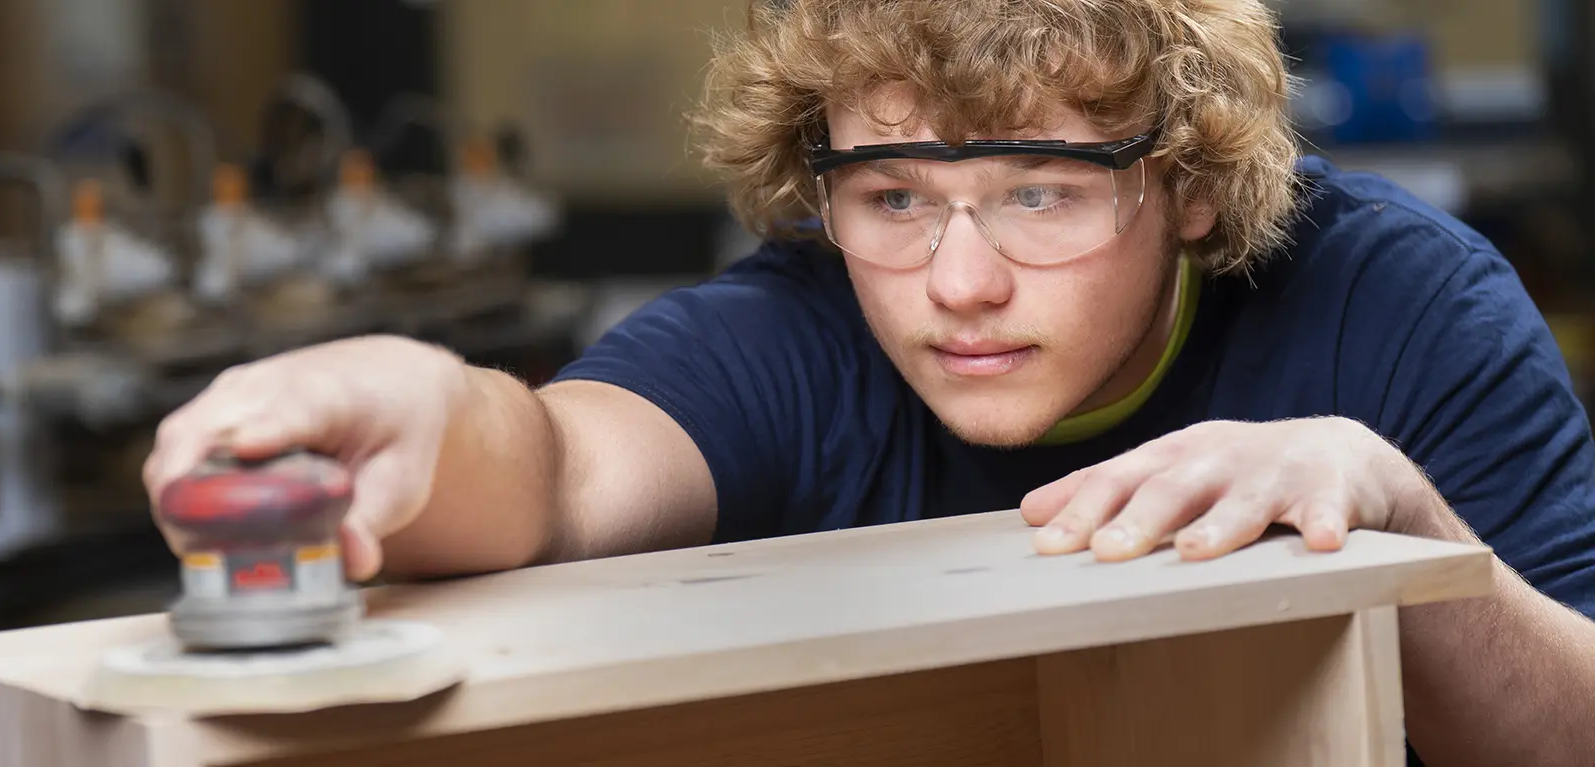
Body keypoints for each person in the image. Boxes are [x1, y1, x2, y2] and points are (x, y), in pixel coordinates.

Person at [145, 1, 1595, 763]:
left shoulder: (1403, 302)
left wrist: (1407, 526)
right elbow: (565, 469)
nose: (956, 284)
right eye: (894, 196)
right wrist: (422, 394)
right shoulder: (806, 322)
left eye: (1042, 194)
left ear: (1191, 188)